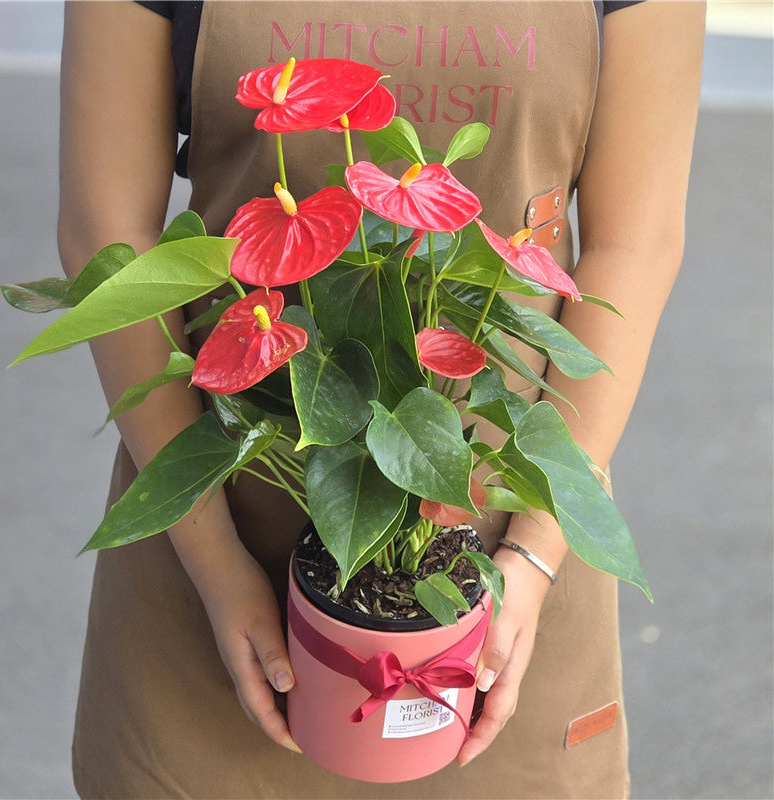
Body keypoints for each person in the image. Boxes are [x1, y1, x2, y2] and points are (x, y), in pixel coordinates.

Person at [59, 1, 704, 797]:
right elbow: (105, 236)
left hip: (502, 549)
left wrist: (533, 556)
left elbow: (632, 243)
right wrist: (218, 568)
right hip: (224, 509)